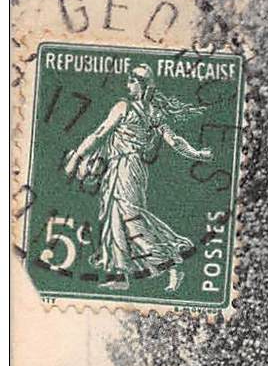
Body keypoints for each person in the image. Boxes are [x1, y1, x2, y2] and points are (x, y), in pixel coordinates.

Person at [63, 64, 213, 292]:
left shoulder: (126, 107)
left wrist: (76, 157)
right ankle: (121, 275)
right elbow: (174, 141)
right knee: (115, 219)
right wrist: (197, 154)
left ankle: (171, 264)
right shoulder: (151, 113)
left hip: (128, 168)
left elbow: (100, 133)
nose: (127, 85)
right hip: (121, 167)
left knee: (131, 218)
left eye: (131, 81)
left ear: (141, 85)